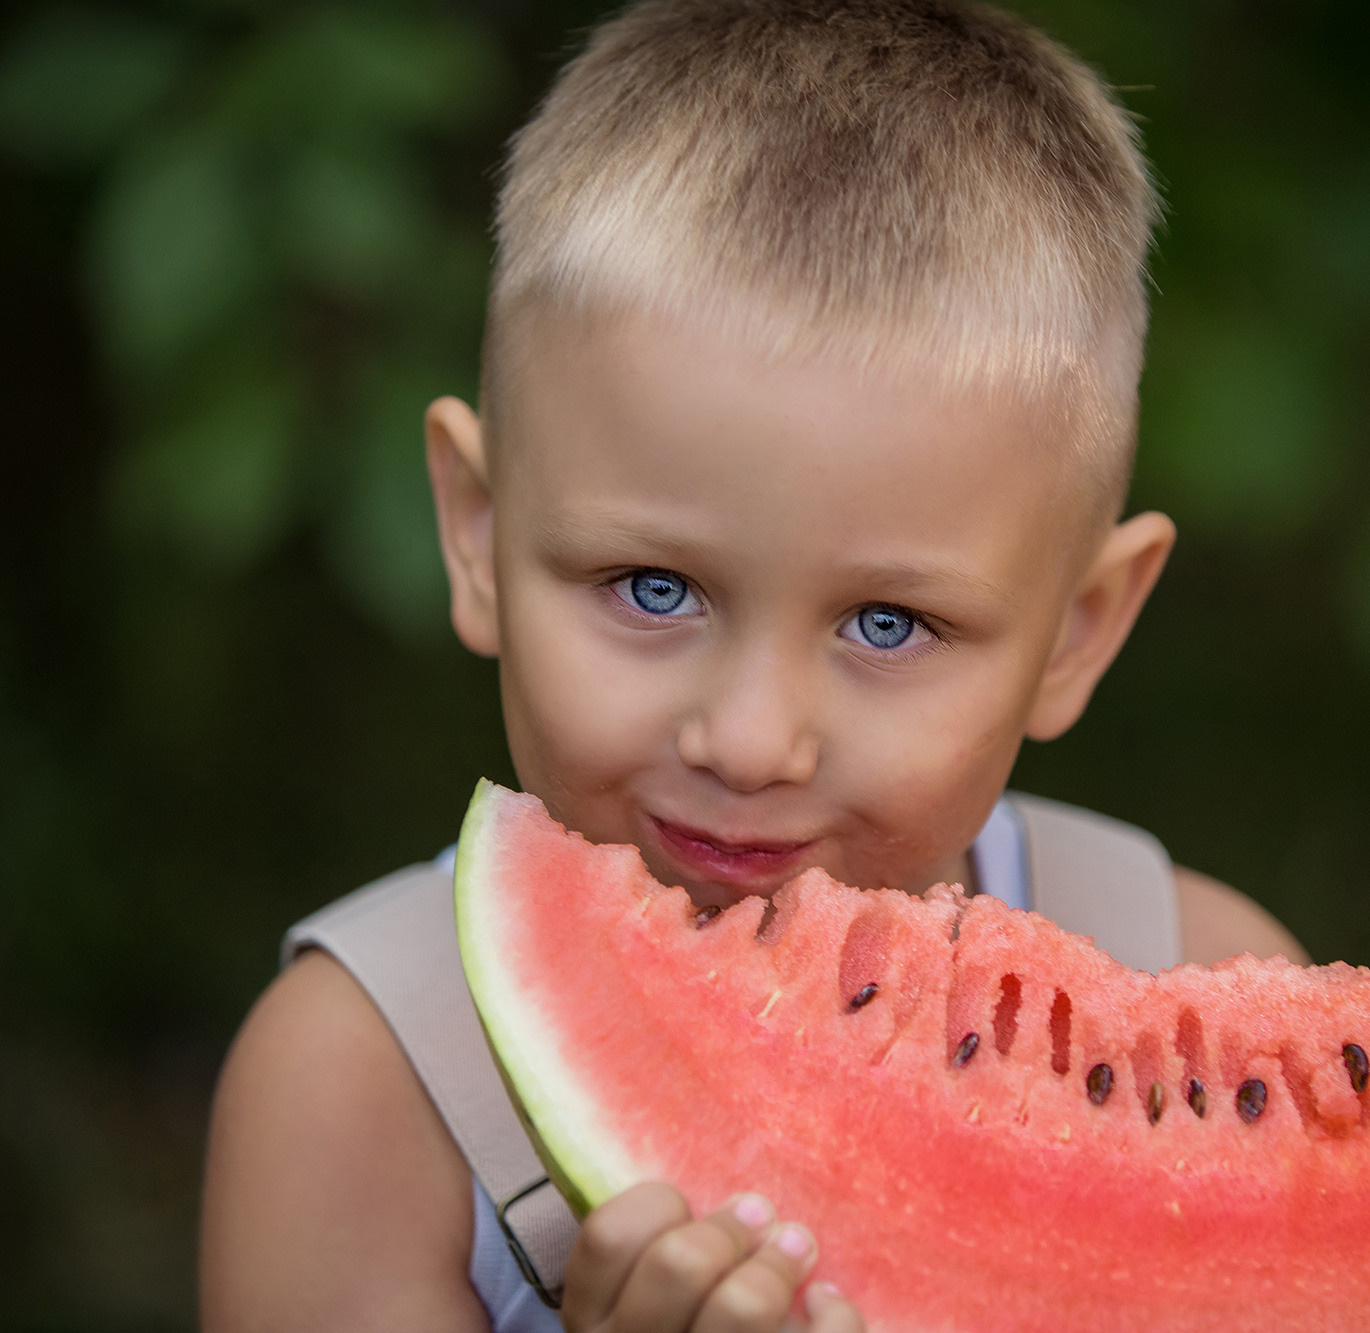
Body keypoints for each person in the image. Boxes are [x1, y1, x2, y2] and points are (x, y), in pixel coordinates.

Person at [199, 1, 1308, 1329]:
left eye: (887, 625)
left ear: (1078, 630)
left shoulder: (1202, 993)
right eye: (653, 589)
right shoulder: (364, 1082)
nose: (750, 737)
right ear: (480, 535)